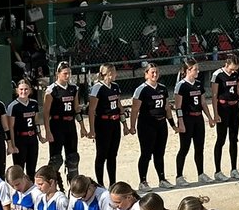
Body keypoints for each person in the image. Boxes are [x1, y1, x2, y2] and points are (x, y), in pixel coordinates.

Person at [41, 61, 86, 187]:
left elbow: (76, 109)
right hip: (56, 125)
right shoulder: (52, 90)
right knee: (56, 159)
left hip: (70, 125)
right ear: (58, 74)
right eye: (65, 73)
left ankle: (74, 187)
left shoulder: (73, 89)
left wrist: (82, 126)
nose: (67, 76)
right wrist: (48, 131)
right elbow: (46, 113)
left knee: (73, 157)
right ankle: (54, 185)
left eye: (69, 73)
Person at [131, 63, 174, 192]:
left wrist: (173, 124)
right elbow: (135, 110)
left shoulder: (162, 88)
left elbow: (166, 107)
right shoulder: (142, 89)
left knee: (159, 153)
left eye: (156, 72)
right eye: (152, 72)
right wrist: (132, 126)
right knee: (146, 153)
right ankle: (142, 181)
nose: (155, 75)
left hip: (161, 124)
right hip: (147, 125)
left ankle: (162, 179)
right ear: (146, 74)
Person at [173, 58, 212, 186]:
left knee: (199, 147)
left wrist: (209, 117)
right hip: (187, 118)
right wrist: (181, 122)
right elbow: (178, 106)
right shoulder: (181, 85)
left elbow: (202, 103)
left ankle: (201, 174)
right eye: (195, 69)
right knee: (184, 148)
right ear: (188, 70)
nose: (198, 71)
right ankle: (179, 176)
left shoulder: (199, 84)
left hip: (198, 118)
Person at [89, 64, 123, 186]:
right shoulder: (98, 88)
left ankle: (113, 183)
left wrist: (124, 122)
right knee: (102, 154)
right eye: (113, 72)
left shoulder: (115, 86)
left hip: (114, 123)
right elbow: (92, 110)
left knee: (112, 154)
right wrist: (92, 129)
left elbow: (118, 104)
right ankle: (100, 183)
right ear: (108, 73)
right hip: (103, 123)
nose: (116, 75)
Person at [211, 54, 239, 180]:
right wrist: (216, 113)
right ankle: (218, 171)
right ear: (226, 64)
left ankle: (234, 169)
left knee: (234, 139)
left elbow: (238, 92)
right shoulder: (218, 75)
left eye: (235, 69)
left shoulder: (235, 74)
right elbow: (214, 95)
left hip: (234, 109)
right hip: (223, 108)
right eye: (232, 69)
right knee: (221, 139)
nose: (234, 71)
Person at [5, 78, 40, 178]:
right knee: (19, 168)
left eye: (26, 89)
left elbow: (36, 122)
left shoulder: (34, 103)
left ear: (30, 90)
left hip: (32, 138)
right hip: (20, 139)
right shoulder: (13, 106)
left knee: (32, 168)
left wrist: (40, 136)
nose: (23, 91)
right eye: (21, 89)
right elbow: (10, 127)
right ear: (17, 90)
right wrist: (12, 145)